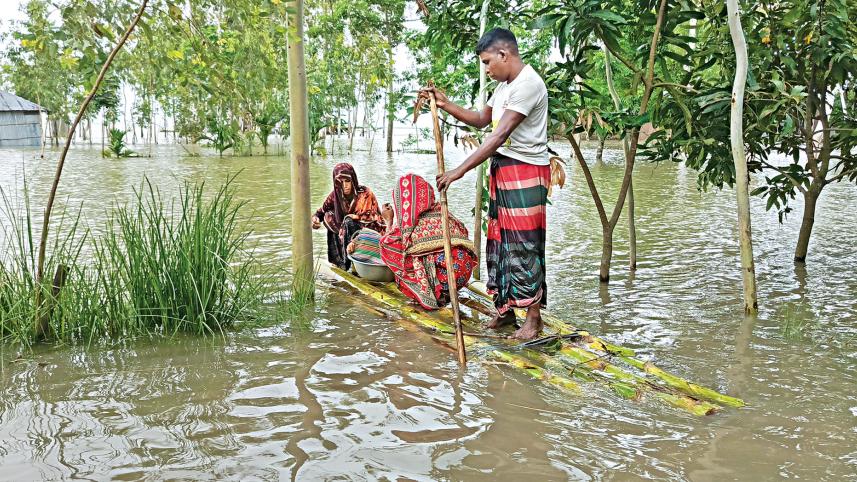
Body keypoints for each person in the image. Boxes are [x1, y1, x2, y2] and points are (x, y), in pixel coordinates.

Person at [420, 27, 550, 340]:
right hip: (503, 169)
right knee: (501, 242)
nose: (487, 69)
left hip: (526, 171)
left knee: (526, 245)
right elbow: (482, 120)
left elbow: (498, 135)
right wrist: (445, 103)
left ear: (505, 54)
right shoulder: (503, 87)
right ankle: (505, 310)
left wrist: (458, 171)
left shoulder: (528, 84)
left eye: (488, 61)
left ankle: (533, 319)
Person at [372, 173, 476, 310]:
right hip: (464, 271)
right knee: (423, 254)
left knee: (398, 255)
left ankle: (429, 294)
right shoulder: (441, 210)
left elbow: (386, 245)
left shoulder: (408, 226)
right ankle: (444, 291)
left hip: (448, 276)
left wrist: (389, 221)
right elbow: (463, 230)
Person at [312, 163, 384, 270]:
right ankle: (340, 262)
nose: (344, 185)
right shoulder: (336, 195)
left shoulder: (365, 193)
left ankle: (356, 262)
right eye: (340, 182)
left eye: (347, 181)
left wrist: (354, 217)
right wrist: (316, 220)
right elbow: (321, 211)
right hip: (348, 235)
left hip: (370, 236)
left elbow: (372, 219)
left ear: (353, 180)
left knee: (349, 222)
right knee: (329, 216)